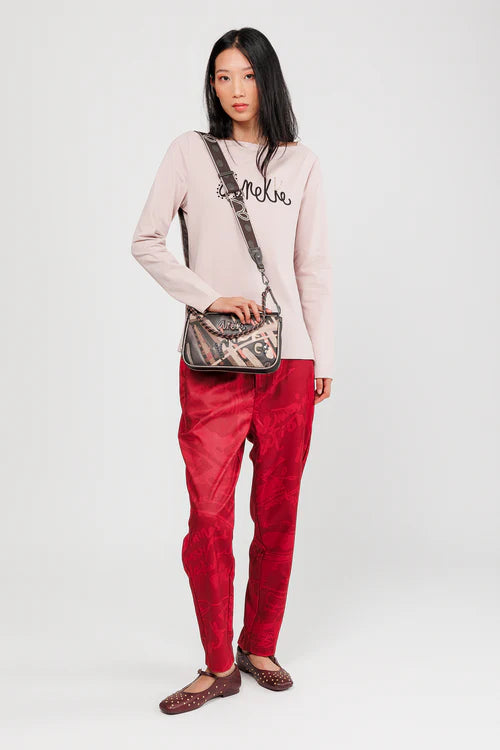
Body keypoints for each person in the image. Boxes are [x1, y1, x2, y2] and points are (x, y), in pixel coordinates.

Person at [131, 27, 334, 715]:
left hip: (290, 361)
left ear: (267, 79)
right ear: (211, 85)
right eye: (222, 76)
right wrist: (207, 296)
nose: (235, 89)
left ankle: (259, 645)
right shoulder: (190, 152)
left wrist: (323, 356)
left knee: (277, 514)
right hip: (214, 359)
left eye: (247, 75)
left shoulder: (301, 164)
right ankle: (218, 664)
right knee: (210, 517)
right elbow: (146, 240)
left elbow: (311, 267)